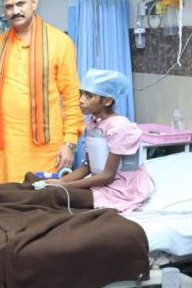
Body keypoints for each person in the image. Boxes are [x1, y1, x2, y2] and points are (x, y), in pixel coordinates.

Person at [0, 0, 82, 184]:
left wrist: (70, 142)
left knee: (40, 198)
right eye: (9, 7)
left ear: (34, 3)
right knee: (2, 197)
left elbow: (71, 96)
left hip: (45, 147)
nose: (15, 11)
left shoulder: (60, 41)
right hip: (2, 146)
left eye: (20, 4)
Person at [43, 69, 151, 213]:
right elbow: (88, 166)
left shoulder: (119, 127)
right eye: (81, 94)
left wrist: (65, 186)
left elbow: (107, 175)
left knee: (51, 196)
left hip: (120, 191)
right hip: (101, 184)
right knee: (43, 188)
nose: (81, 100)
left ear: (107, 101)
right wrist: (61, 181)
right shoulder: (95, 123)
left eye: (88, 96)